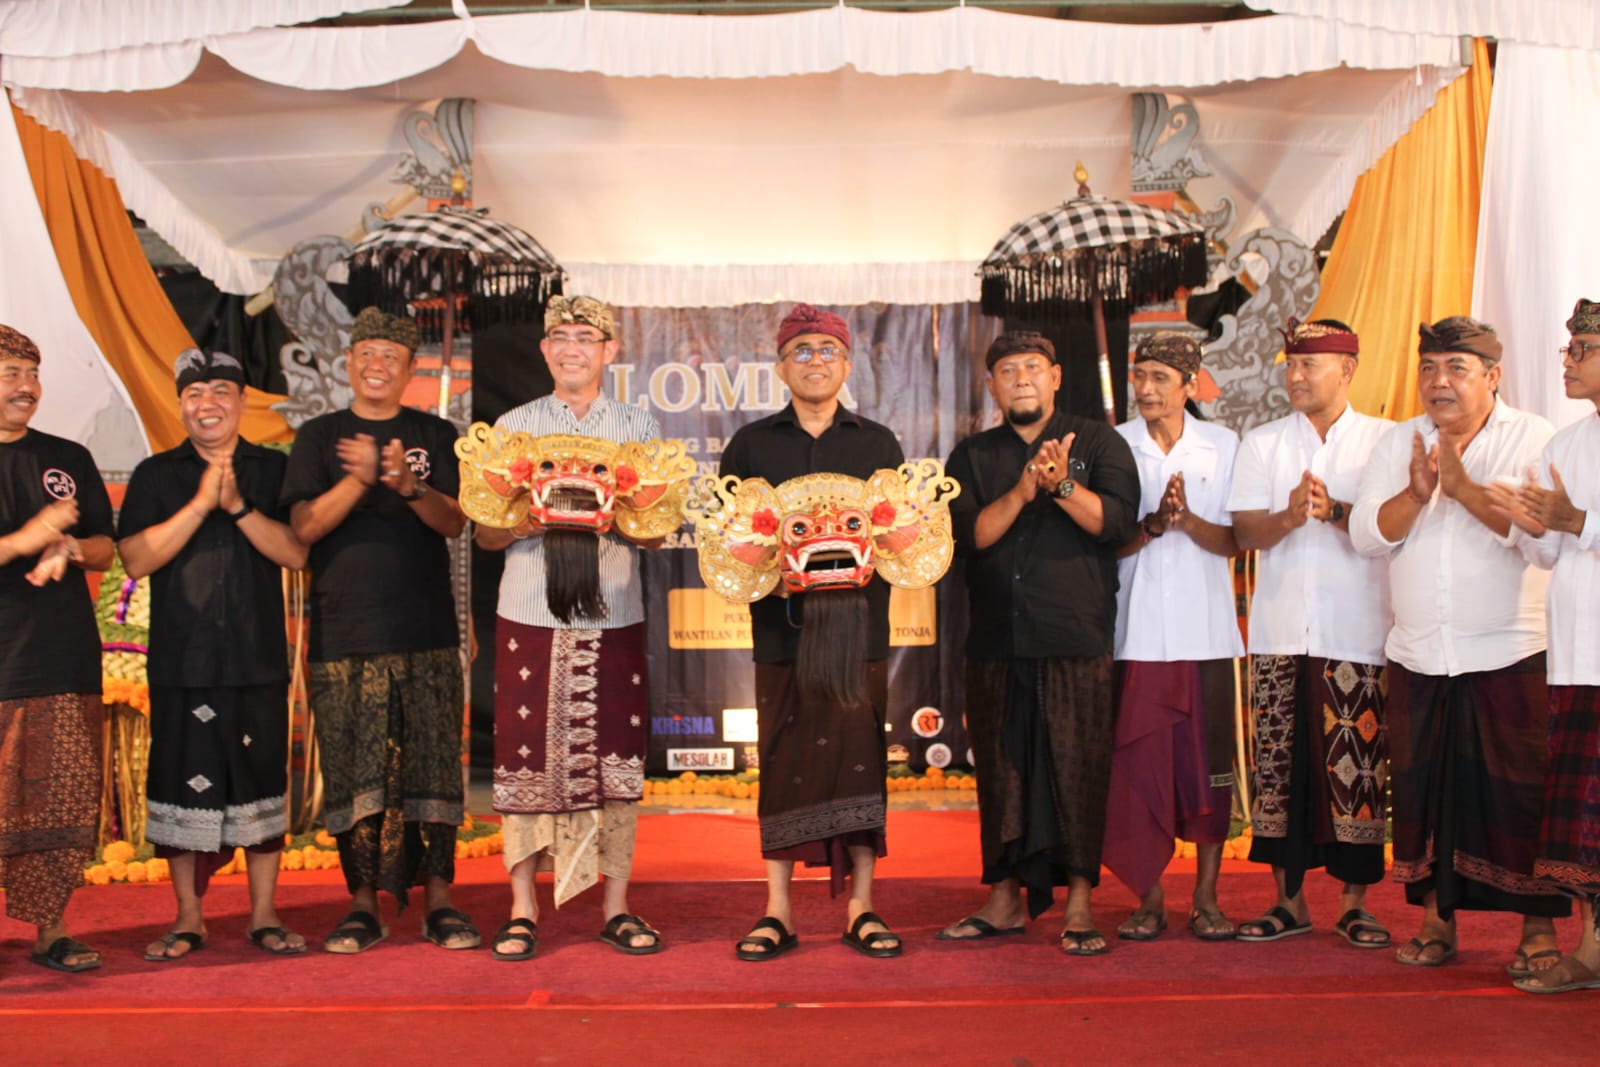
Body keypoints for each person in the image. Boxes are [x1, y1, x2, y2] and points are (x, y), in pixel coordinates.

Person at [1350, 316, 1569, 969]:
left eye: (1456, 368)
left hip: (1509, 648)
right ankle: (1437, 923)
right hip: (1420, 650)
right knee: (1427, 797)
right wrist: (1417, 496)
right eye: (1429, 368)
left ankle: (1538, 932)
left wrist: (1464, 487)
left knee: (1520, 794)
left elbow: (1537, 537)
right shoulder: (1401, 441)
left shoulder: (1533, 436)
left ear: (1492, 376)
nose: (1438, 382)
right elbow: (1366, 533)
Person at [280, 306, 478, 954]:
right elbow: (304, 529)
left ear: (410, 368)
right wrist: (360, 478)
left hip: (426, 627)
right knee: (354, 770)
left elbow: (454, 523)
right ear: (348, 363)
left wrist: (407, 483)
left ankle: (440, 898)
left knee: (434, 765)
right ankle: (361, 903)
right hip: (346, 631)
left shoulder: (435, 431)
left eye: (390, 356)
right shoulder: (318, 435)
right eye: (365, 353)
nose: (376, 365)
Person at [473, 296, 663, 961]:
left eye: (587, 337)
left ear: (610, 350)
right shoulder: (515, 426)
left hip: (613, 610)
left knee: (615, 756)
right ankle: (523, 907)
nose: (573, 347)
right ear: (545, 350)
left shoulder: (638, 426)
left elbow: (663, 533)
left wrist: (627, 516)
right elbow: (486, 531)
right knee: (523, 756)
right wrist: (527, 519)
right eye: (561, 336)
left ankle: (615, 906)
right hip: (529, 609)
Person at [940, 330, 1139, 955]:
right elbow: (968, 537)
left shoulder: (1100, 442)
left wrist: (1059, 485)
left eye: (1032, 368)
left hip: (1074, 634)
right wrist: (1024, 489)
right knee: (1002, 774)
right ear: (992, 385)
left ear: (1055, 377)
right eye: (1007, 370)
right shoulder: (970, 457)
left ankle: (1080, 901)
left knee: (1075, 769)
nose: (1021, 378)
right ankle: (1003, 898)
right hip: (997, 637)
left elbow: (1116, 522)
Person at [720, 303, 906, 961]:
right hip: (782, 632)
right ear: (781, 367)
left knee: (859, 763)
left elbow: (898, 540)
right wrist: (774, 566)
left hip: (858, 633)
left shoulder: (878, 444)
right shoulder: (750, 445)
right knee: (785, 765)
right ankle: (778, 910)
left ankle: (862, 905)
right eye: (802, 351)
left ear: (847, 364)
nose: (816, 362)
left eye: (827, 351)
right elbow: (730, 541)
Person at [118, 348, 308, 961]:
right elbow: (136, 559)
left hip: (256, 659)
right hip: (183, 663)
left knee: (259, 785)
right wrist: (201, 503)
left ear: (242, 402)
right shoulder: (156, 474)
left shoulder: (269, 470)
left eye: (222, 392)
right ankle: (188, 918)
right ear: (181, 405)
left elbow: (295, 552)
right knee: (181, 785)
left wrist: (237, 507)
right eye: (196, 395)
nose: (209, 405)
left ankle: (263, 914)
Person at [1229, 319, 1395, 947]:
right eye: (1290, 365)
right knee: (1280, 771)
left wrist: (1337, 513)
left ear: (1348, 370)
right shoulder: (1265, 443)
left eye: (1311, 365)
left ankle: (1355, 904)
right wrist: (1291, 514)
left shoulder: (1384, 441)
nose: (1295, 377)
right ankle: (1288, 903)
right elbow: (1245, 532)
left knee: (1356, 774)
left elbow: (1393, 526)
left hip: (1357, 630)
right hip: (1278, 634)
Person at [1103, 332, 1241, 943]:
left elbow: (1237, 540)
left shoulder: (1225, 446)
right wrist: (1156, 524)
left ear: (1191, 384)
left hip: (1207, 635)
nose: (1148, 389)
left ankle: (1207, 898)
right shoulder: (1114, 446)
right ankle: (1149, 897)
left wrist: (1189, 520)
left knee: (1207, 771)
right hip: (1134, 636)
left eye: (1162, 377)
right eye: (1141, 377)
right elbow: (1106, 540)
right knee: (1140, 771)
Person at [1489, 298, 1600, 993]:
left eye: (1581, 350)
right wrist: (1527, 520)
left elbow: (1577, 526)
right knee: (1586, 818)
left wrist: (1578, 517)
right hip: (1580, 657)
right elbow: (1549, 554)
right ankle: (1591, 948)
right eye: (1568, 350)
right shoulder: (1564, 445)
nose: (1568, 362)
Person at [0, 324, 115, 973]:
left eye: (30, 374)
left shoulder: (66, 457)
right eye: (10, 374)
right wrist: (27, 536)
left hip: (62, 657)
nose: (26, 387)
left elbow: (106, 543)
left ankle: (53, 929)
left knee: (60, 797)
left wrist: (70, 547)